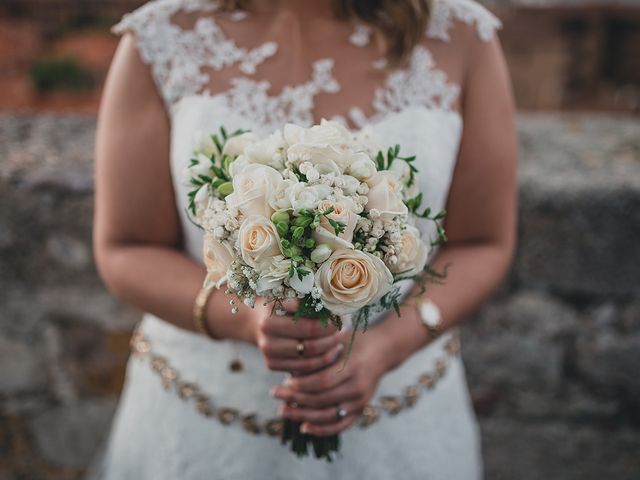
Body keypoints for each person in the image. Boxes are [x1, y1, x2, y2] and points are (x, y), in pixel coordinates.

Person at [91, 0, 517, 478]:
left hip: (400, 421)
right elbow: (126, 246)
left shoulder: (461, 35)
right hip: (202, 421)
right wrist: (246, 321)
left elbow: (483, 241)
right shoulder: (163, 36)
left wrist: (387, 347)